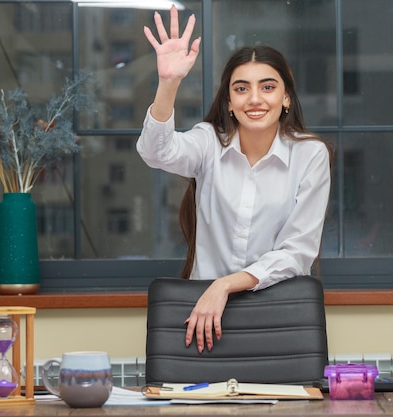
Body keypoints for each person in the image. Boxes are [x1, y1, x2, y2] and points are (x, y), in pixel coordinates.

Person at [138, 5, 332, 354]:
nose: (255, 99)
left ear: (286, 97)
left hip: (278, 317)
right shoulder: (208, 142)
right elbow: (156, 152)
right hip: (201, 320)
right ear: (228, 102)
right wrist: (168, 83)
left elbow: (297, 253)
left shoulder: (310, 155)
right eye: (241, 89)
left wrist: (225, 285)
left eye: (268, 87)